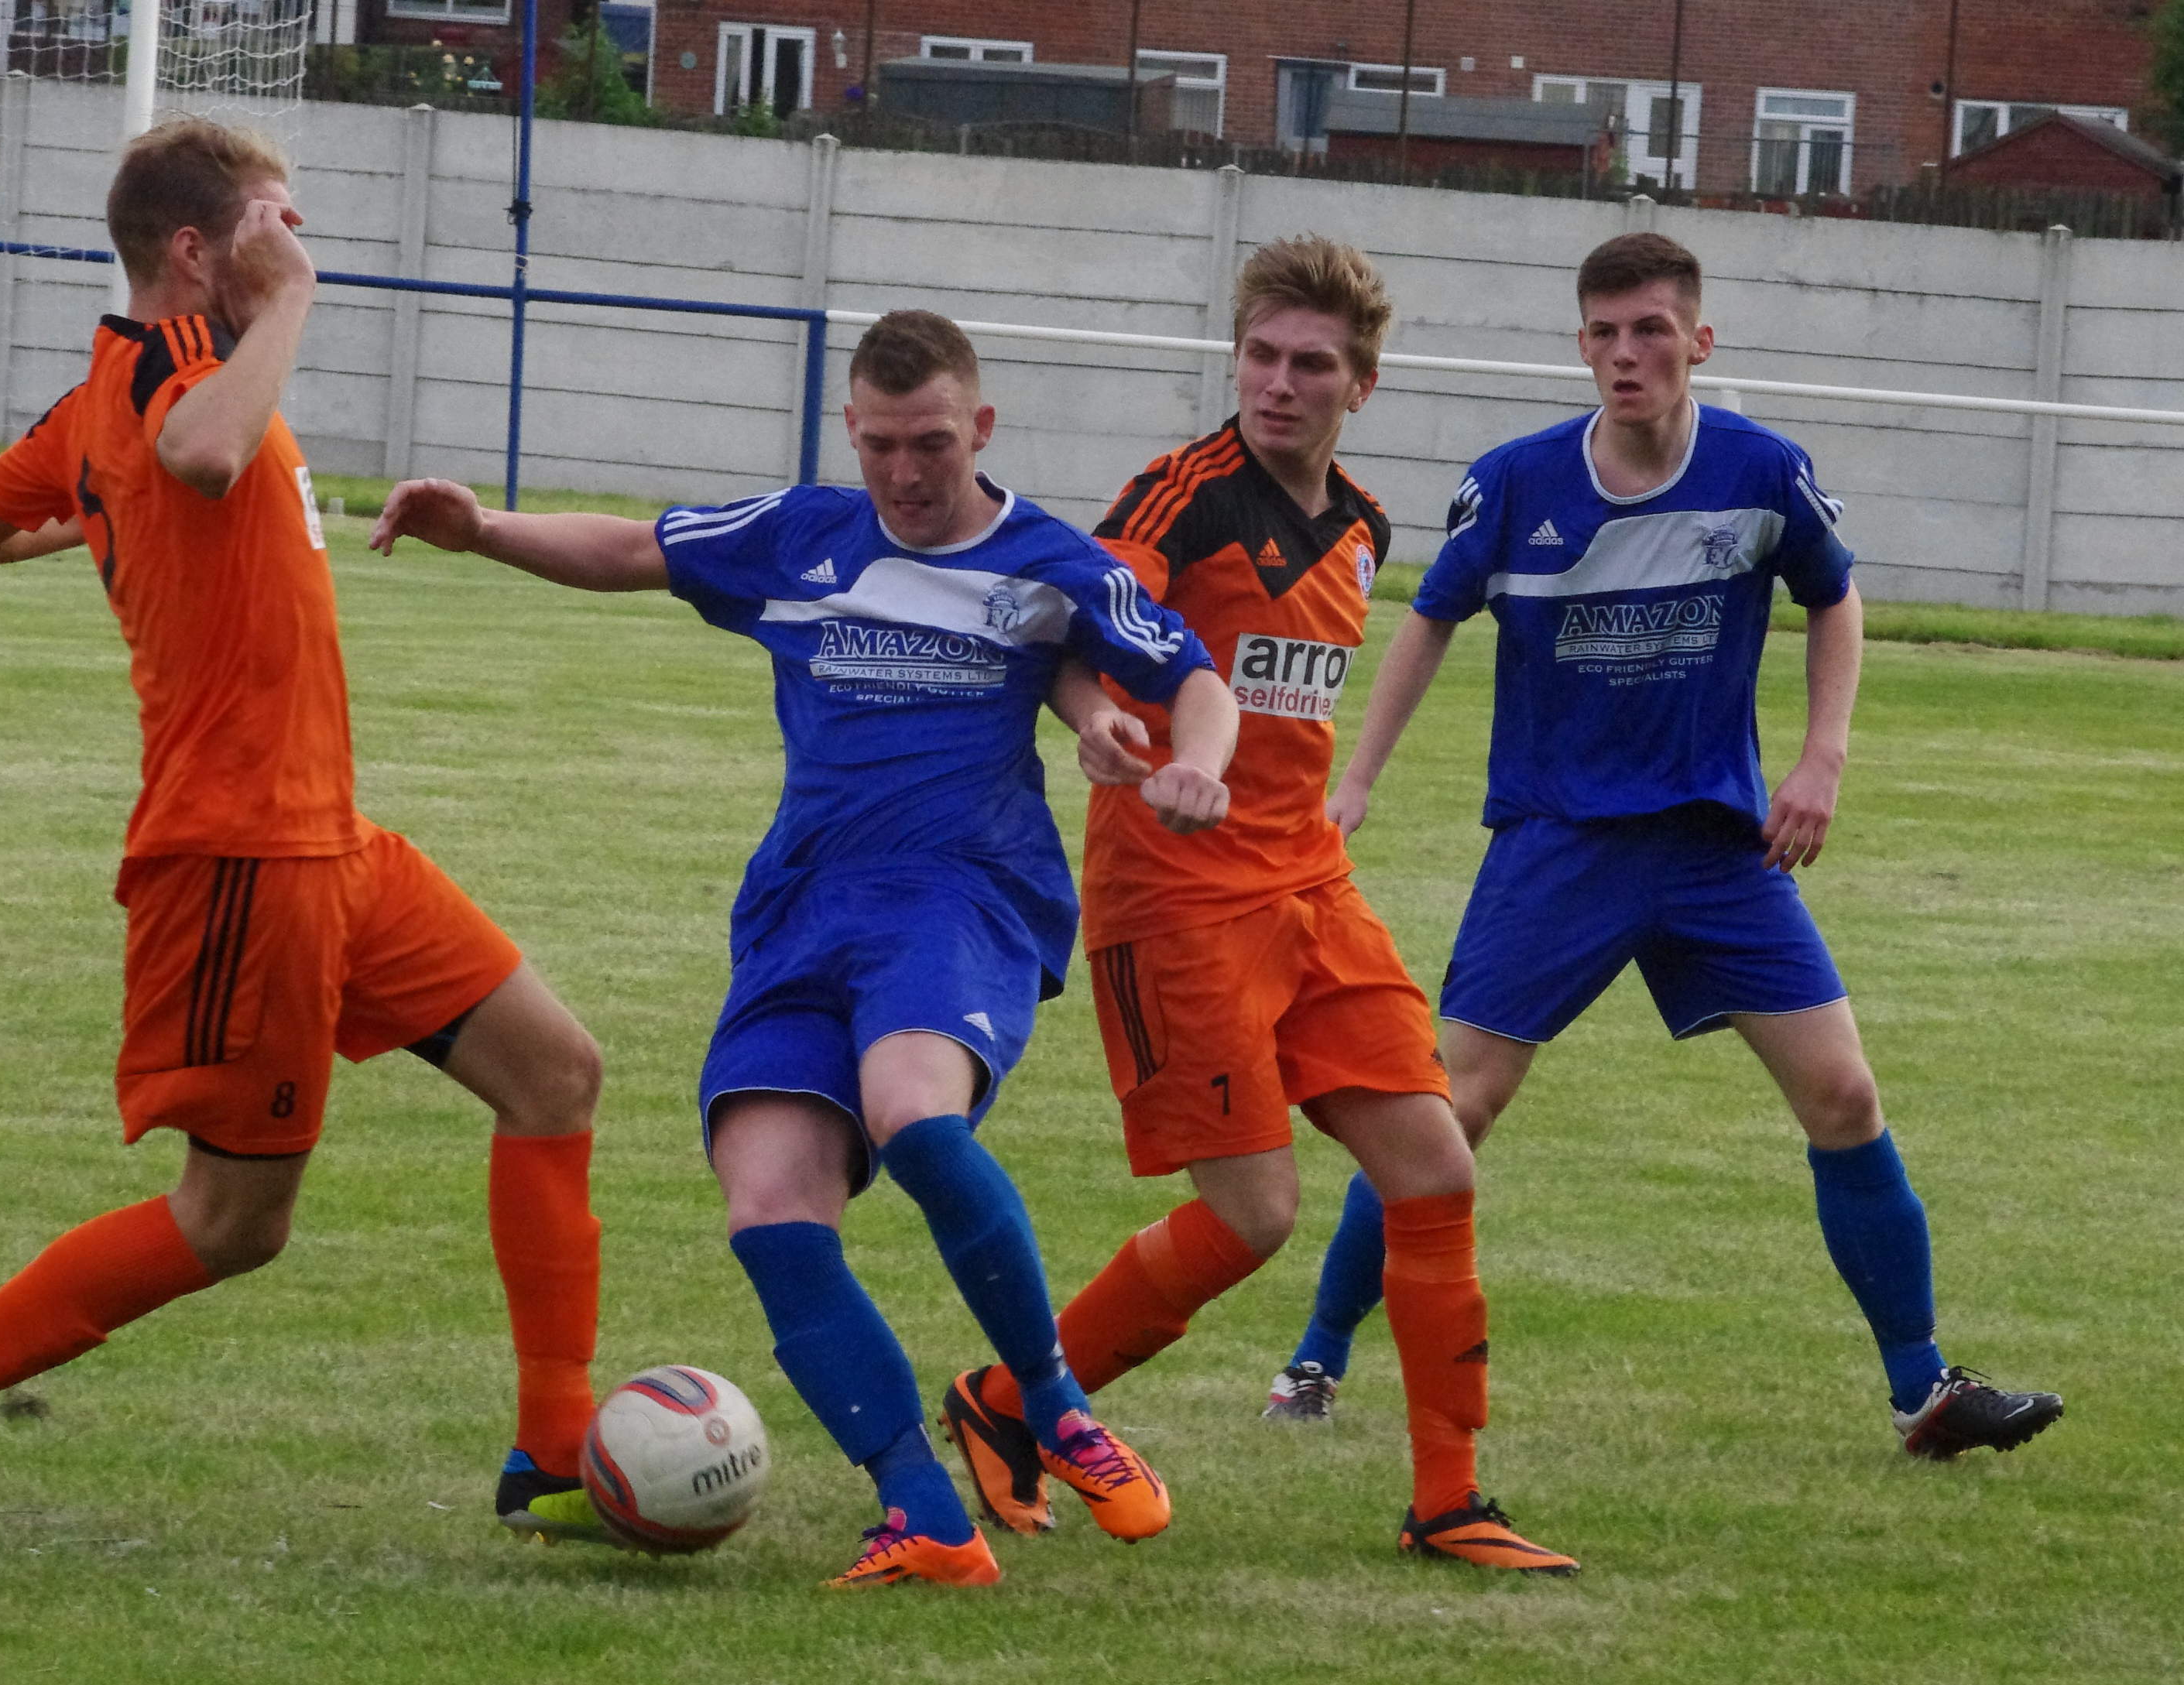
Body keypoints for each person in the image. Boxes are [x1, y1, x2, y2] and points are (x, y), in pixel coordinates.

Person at [0, 118, 611, 1550]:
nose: (297, 248)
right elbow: (196, 451)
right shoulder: (188, 376)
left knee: (554, 1072)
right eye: (274, 228)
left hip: (333, 843)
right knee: (233, 1224)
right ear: (199, 251)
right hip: (241, 853)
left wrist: (96, 519)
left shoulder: (97, 398)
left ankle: (553, 1450)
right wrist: (287, 305)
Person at [369, 310, 1237, 1587]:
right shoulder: (801, 536)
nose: (904, 471)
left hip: (959, 895)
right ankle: (923, 1516)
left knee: (909, 1111)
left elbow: (1194, 673)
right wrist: (484, 531)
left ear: (980, 428)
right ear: (852, 432)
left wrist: (1195, 766)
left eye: (930, 442)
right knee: (769, 1202)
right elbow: (628, 548)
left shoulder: (1050, 561)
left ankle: (1052, 1405)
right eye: (880, 445)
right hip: (799, 909)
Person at [1283, 231, 2065, 1462]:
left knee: (1842, 1091)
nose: (1623, 354)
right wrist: (1356, 780)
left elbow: (1833, 596)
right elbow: (1427, 622)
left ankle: (1923, 1391)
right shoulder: (1515, 483)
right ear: (1579, 346)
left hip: (1712, 849)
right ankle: (1313, 1359)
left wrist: (1821, 757)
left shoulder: (1760, 471)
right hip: (1558, 845)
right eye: (1601, 333)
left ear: (1697, 341)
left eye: (1649, 330)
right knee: (1447, 1111)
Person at [937, 237, 1577, 1575]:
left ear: (1365, 384)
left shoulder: (1360, 521)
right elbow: (1085, 622)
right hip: (1173, 902)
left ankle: (1447, 1501)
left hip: (1309, 889)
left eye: (1310, 365)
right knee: (1254, 1216)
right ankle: (1010, 1403)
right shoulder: (1181, 497)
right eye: (1260, 357)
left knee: (1433, 1165)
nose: (1277, 384)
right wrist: (1110, 722)